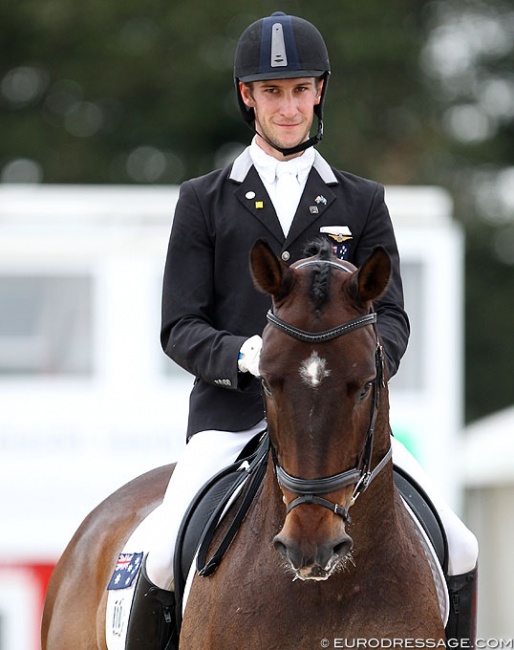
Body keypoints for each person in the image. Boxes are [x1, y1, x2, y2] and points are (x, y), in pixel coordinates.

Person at [123, 12, 478, 649]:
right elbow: (179, 325)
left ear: (319, 93)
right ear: (247, 97)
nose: (288, 107)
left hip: (344, 420)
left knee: (459, 543)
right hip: (232, 416)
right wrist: (246, 355)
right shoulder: (205, 200)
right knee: (158, 556)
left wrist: (359, 367)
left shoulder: (361, 200)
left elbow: (391, 317)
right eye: (272, 92)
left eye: (299, 90)